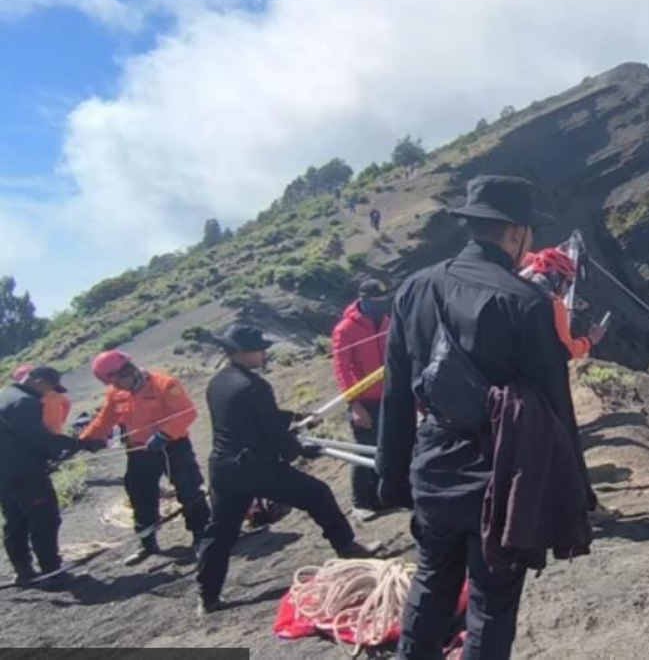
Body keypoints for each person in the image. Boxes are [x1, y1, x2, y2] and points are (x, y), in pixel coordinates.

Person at [378, 174, 590, 659]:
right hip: (499, 472)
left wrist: (391, 478)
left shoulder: (414, 288)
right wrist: (576, 489)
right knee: (492, 604)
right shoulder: (526, 302)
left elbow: (395, 390)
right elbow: (556, 405)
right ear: (516, 233)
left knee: (430, 584)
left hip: (432, 462)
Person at [196, 324, 377, 615]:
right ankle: (347, 547)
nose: (264, 354)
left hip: (223, 468)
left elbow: (253, 419)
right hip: (254, 466)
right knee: (317, 493)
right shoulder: (255, 386)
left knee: (220, 532)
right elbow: (272, 434)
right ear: (243, 353)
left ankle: (207, 596)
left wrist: (297, 418)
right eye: (259, 350)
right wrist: (302, 450)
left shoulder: (219, 382)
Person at [80, 351, 212, 566]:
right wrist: (85, 440)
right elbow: (104, 420)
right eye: (112, 383)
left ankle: (201, 536)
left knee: (188, 489)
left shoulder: (164, 384)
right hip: (139, 451)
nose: (116, 386)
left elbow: (187, 412)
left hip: (172, 446)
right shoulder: (116, 393)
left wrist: (164, 434)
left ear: (127, 371)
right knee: (139, 494)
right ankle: (148, 543)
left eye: (116, 381)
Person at [0, 367, 104, 586]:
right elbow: (39, 439)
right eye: (50, 387)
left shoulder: (5, 395)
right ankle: (52, 572)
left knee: (16, 522)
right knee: (45, 520)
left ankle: (24, 572)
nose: (50, 393)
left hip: (5, 474)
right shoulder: (26, 402)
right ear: (38, 381)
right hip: (25, 474)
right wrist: (81, 444)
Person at [332, 278, 392, 521]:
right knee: (363, 450)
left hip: (388, 395)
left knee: (387, 446)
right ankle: (360, 503)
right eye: (376, 301)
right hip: (364, 400)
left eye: (383, 301)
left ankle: (381, 497)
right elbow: (341, 368)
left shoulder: (387, 321)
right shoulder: (345, 329)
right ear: (363, 300)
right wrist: (354, 403)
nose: (380, 305)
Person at [519, 247, 606, 359]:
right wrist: (590, 340)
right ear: (555, 277)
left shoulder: (512, 285)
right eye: (568, 283)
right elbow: (568, 350)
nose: (567, 290)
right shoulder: (554, 305)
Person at [11, 363, 71, 434]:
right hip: (55, 431)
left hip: (44, 435)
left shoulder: (28, 400)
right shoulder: (55, 394)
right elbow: (67, 403)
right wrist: (62, 420)